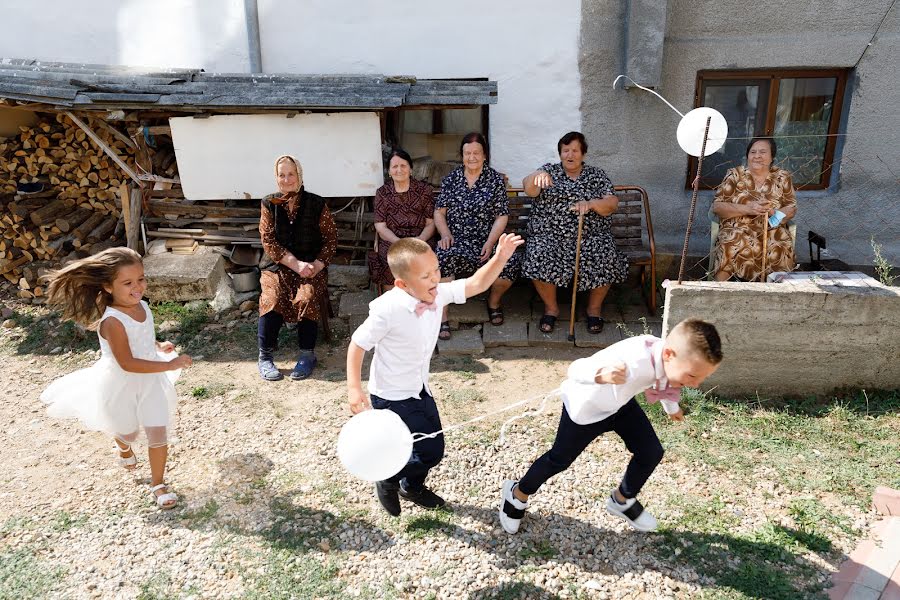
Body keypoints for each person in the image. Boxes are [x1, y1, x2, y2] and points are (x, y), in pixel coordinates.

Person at [347, 233, 524, 516]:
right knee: (425, 450)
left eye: (436, 271)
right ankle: (390, 478)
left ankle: (410, 484)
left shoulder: (436, 292)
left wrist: (500, 257)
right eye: (425, 276)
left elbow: (476, 284)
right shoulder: (387, 310)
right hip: (391, 396)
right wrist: (354, 390)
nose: (434, 279)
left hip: (419, 389)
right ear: (403, 284)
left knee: (432, 446)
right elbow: (358, 345)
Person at [499, 319, 723, 534]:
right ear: (668, 354)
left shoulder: (668, 359)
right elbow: (575, 369)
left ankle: (621, 499)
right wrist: (600, 374)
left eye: (701, 378)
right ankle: (516, 494)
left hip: (620, 405)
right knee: (558, 460)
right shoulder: (633, 360)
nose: (695, 384)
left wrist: (671, 407)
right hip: (586, 410)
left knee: (650, 451)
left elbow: (666, 381)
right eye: (693, 376)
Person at [40, 248, 193, 509]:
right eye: (128, 283)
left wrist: (158, 346)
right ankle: (123, 446)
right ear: (108, 287)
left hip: (151, 381)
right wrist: (173, 363)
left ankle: (158, 484)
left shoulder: (143, 306)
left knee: (158, 431)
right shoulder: (111, 322)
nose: (138, 287)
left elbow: (140, 337)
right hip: (121, 382)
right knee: (128, 431)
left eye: (141, 279)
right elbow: (128, 362)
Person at [521, 132, 629, 335]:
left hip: (589, 236)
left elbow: (612, 203)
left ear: (583, 154)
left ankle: (594, 309)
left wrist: (591, 204)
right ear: (560, 153)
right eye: (565, 150)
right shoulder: (548, 171)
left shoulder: (596, 175)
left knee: (605, 254)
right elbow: (529, 189)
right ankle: (551, 308)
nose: (570, 154)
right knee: (538, 253)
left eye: (575, 150)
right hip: (550, 235)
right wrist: (536, 177)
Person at [434, 132, 522, 340]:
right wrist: (445, 234)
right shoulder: (452, 179)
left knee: (510, 263)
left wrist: (491, 243)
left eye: (476, 153)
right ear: (461, 155)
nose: (471, 157)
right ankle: (442, 316)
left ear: (484, 155)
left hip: (485, 242)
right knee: (444, 256)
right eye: (467, 153)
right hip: (457, 240)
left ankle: (493, 302)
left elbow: (501, 216)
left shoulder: (494, 180)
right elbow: (439, 212)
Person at [257, 154, 337, 381]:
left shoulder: (316, 203)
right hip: (278, 266)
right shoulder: (268, 203)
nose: (286, 179)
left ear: (299, 175)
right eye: (281, 175)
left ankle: (307, 354)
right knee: (271, 297)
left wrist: (318, 265)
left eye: (291, 174)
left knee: (307, 296)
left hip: (311, 267)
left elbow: (331, 238)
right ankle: (265, 356)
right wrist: (295, 264)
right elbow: (268, 241)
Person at [711, 137, 798, 281]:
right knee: (732, 243)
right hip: (738, 227)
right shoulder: (735, 175)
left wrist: (773, 213)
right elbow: (717, 206)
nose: (757, 156)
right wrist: (748, 208)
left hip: (771, 227)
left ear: (772, 157)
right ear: (748, 156)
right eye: (753, 152)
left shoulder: (782, 177)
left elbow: (791, 208)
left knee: (781, 245)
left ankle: (778, 295)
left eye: (763, 152)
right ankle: (718, 291)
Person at [369, 149, 436, 291]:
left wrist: (418, 241)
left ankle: (422, 298)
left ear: (411, 169)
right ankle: (392, 302)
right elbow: (381, 227)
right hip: (393, 240)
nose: (399, 170)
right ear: (389, 171)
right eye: (394, 166)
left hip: (421, 238)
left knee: (425, 259)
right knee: (389, 261)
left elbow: (431, 223)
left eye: (403, 166)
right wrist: (399, 242)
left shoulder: (424, 190)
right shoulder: (383, 192)